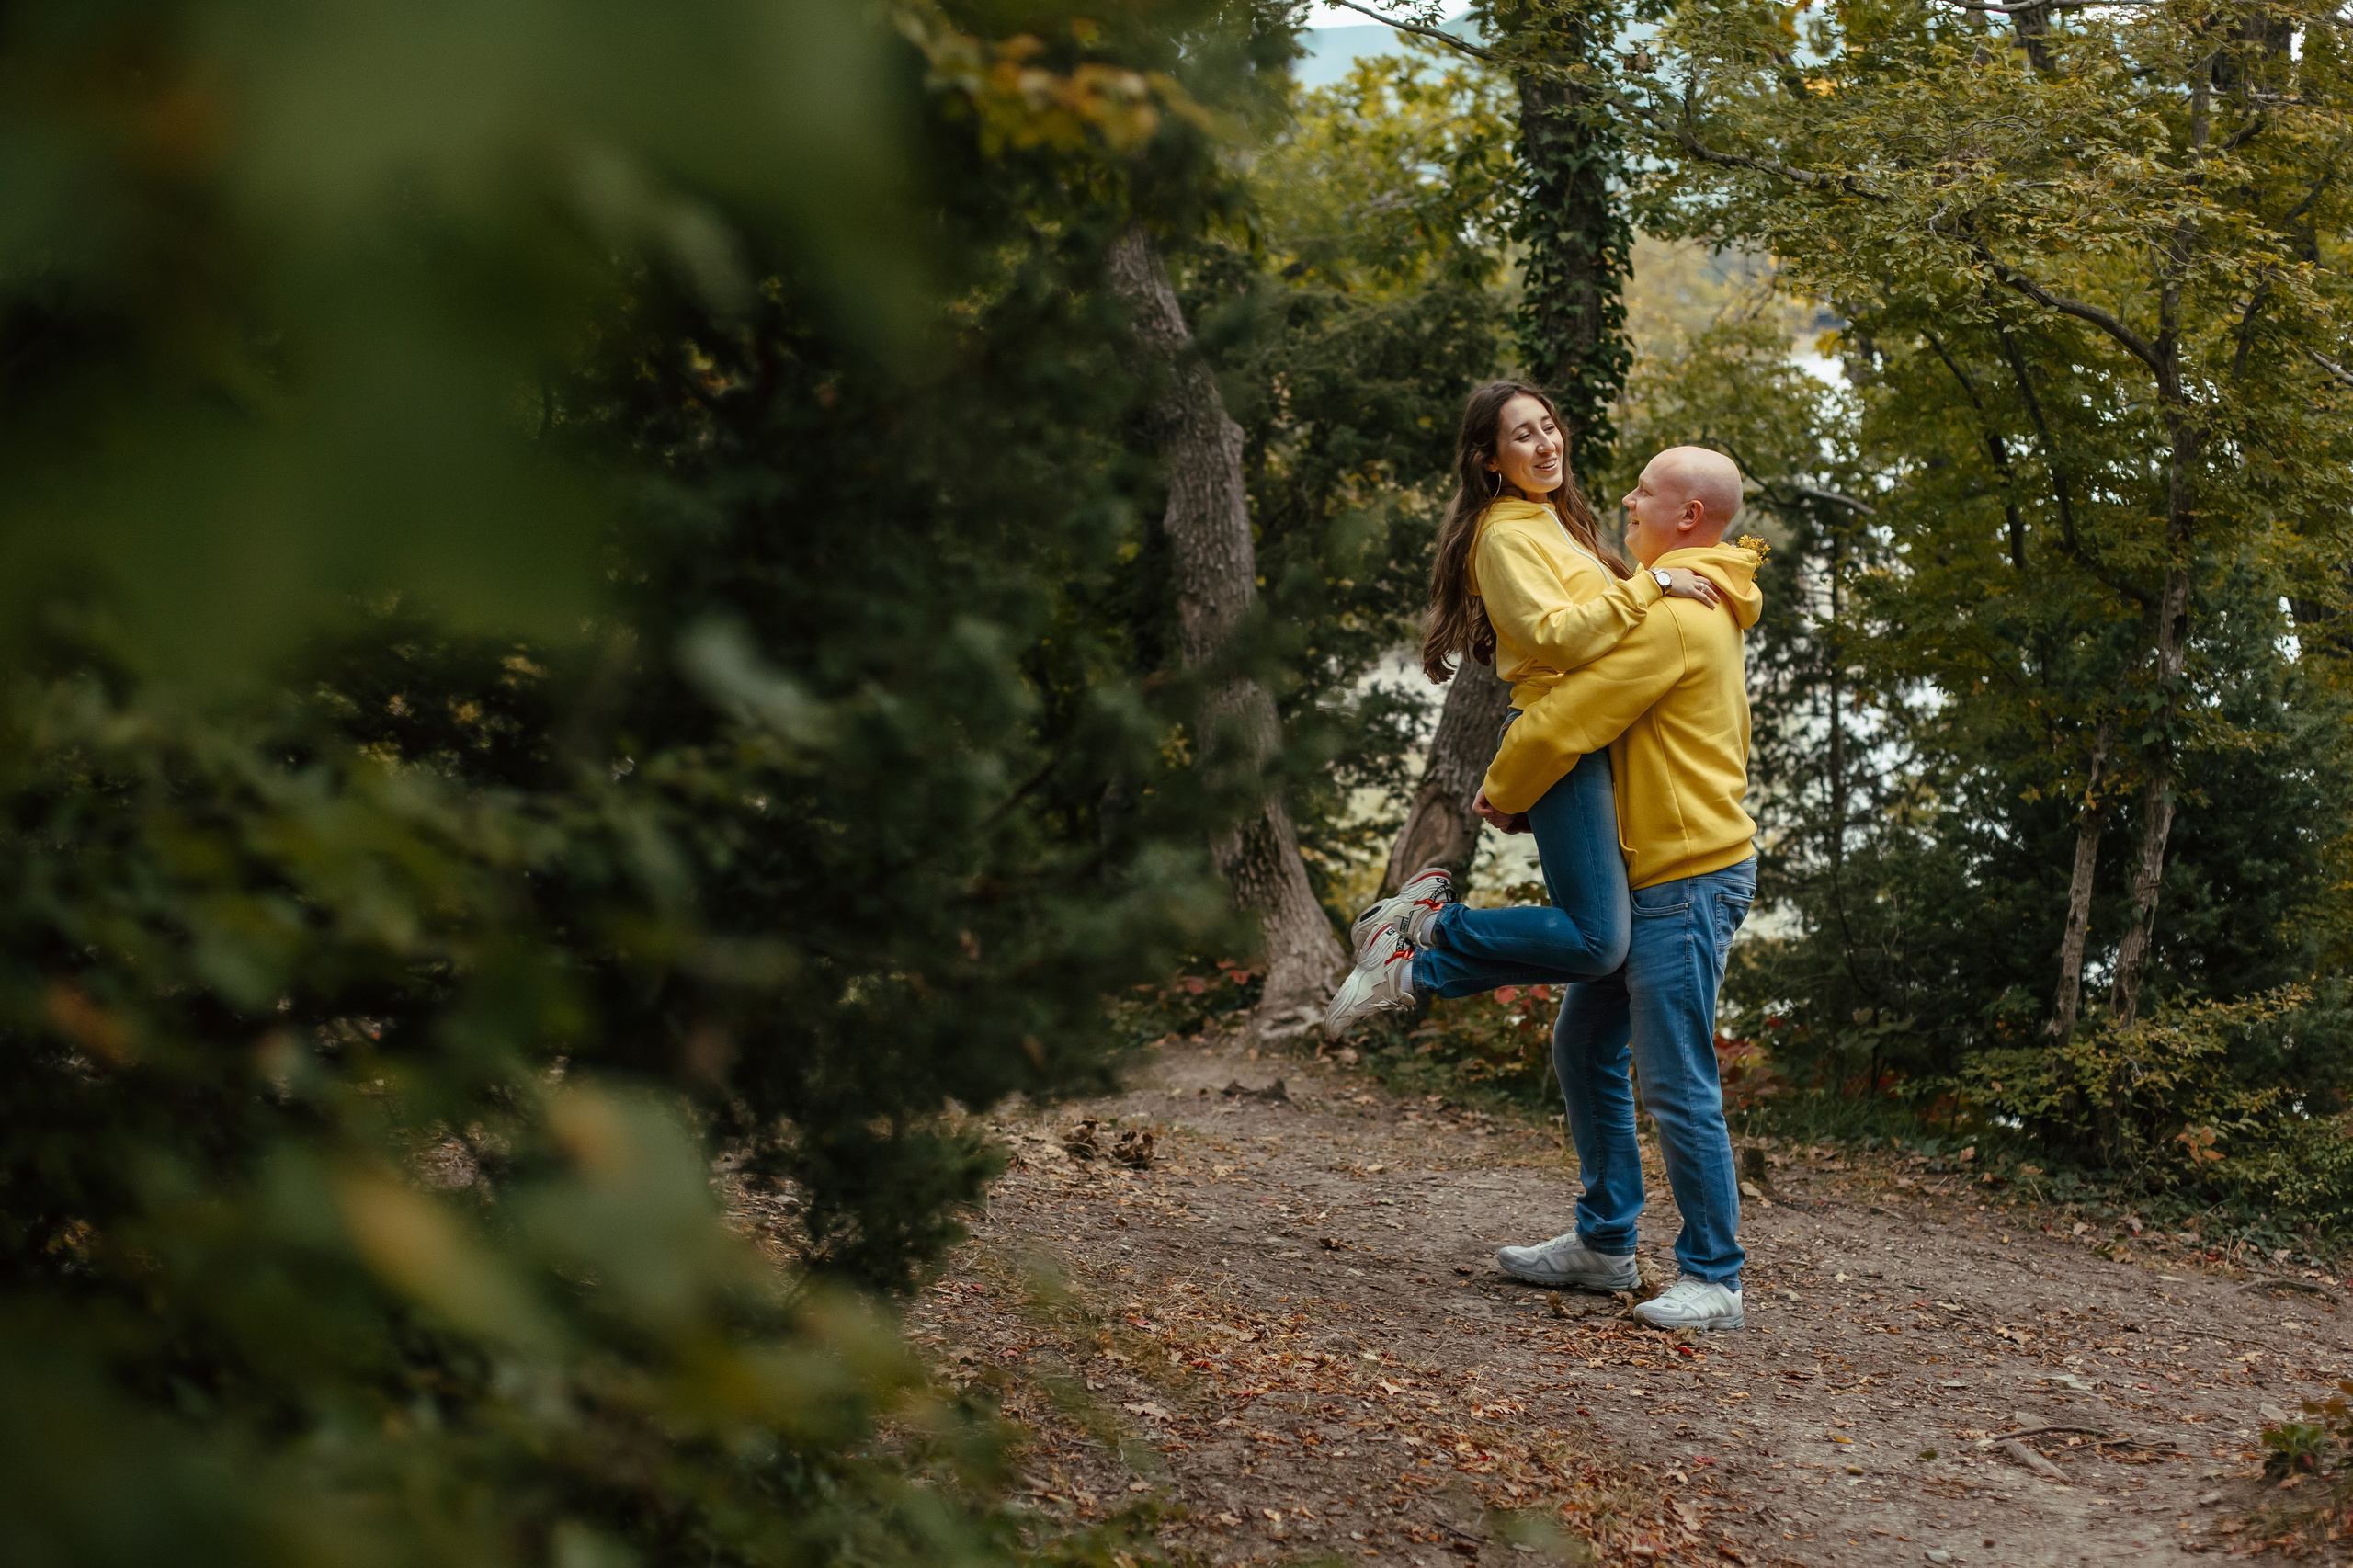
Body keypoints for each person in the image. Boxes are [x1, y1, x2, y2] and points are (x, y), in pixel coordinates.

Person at [1323, 383, 1728, 1036]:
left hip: (1586, 733)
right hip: (1558, 731)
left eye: (1548, 426)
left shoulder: (1553, 520)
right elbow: (1556, 637)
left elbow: (1607, 634)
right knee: (1599, 943)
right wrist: (1650, 585)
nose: (1546, 444)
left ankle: (1408, 962)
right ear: (1489, 459)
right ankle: (1421, 928)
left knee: (1600, 948)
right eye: (1523, 435)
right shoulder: (1501, 535)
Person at [1480, 446, 1767, 1334]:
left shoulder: (1677, 616)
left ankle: (1714, 1277)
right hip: (1658, 874)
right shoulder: (1687, 593)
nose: (1626, 502)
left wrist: (1503, 787)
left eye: (1646, 491)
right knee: (1584, 1047)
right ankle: (1606, 1245)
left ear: (1688, 516)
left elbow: (1572, 715)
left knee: (1678, 1083)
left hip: (1686, 880)